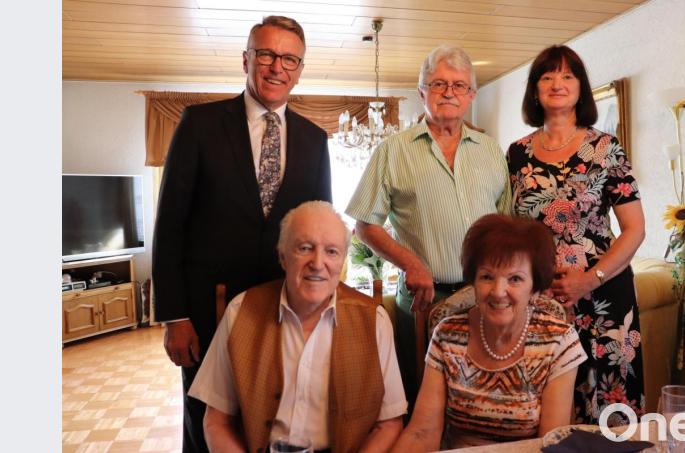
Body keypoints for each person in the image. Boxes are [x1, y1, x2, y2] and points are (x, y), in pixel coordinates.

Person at [152, 16, 332, 452]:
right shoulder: (199, 124)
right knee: (205, 421)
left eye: (289, 59)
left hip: (282, 309)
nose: (277, 67)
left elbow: (320, 227)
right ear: (246, 59)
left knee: (271, 419)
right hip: (207, 311)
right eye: (266, 54)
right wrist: (175, 316)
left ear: (300, 69)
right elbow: (170, 225)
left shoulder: (314, 139)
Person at [346, 44, 511, 407]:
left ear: (471, 95)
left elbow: (506, 227)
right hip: (424, 301)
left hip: (486, 299)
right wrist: (411, 264)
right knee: (422, 399)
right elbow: (364, 224)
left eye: (458, 85)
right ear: (422, 92)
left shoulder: (491, 151)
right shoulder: (392, 151)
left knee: (484, 399)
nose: (448, 92)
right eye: (438, 84)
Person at [188, 201, 406, 453]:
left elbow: (389, 424)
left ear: (342, 261)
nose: (318, 263)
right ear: (283, 256)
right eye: (305, 248)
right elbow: (216, 422)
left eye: (332, 251)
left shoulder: (374, 322)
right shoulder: (241, 311)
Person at [507, 45, 646, 425]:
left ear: (581, 87)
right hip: (542, 296)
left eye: (568, 75)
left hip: (605, 292)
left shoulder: (606, 148)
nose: (558, 83)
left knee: (610, 405)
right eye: (547, 76)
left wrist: (589, 279)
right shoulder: (517, 154)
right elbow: (514, 229)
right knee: (547, 405)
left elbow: (635, 229)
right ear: (535, 90)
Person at [392, 214, 586, 450]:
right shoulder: (447, 335)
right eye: (486, 277)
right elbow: (422, 432)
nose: (498, 291)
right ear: (473, 282)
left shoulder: (559, 341)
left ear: (535, 289)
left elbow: (550, 444)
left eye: (515, 279)